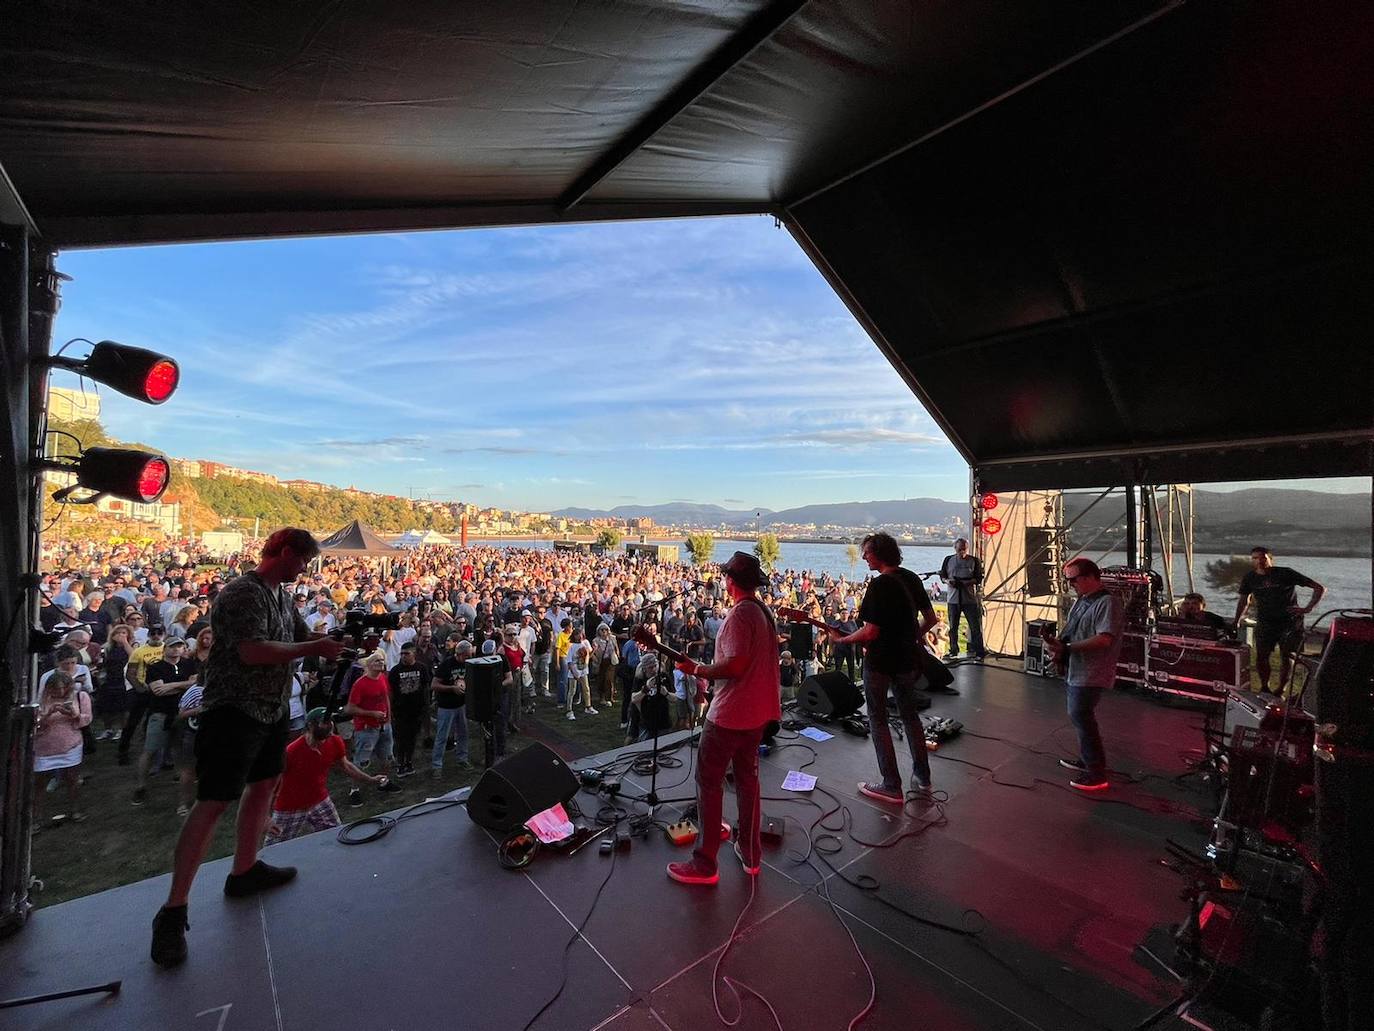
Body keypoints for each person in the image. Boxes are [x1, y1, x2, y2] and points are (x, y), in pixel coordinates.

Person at [151, 527, 346, 968]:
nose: (304, 569)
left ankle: (244, 870)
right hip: (234, 709)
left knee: (263, 787)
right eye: (302, 560)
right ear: (285, 552)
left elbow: (298, 639)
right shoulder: (242, 593)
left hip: (271, 709)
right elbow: (253, 651)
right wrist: (314, 645)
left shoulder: (280, 596)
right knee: (213, 802)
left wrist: (335, 642)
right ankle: (173, 911)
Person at [668, 552, 781, 886]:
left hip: (731, 714)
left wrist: (697, 670)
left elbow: (734, 666)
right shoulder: (763, 611)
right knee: (748, 781)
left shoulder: (738, 616)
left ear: (730, 582)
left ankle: (705, 864)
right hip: (757, 713)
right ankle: (750, 853)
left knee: (708, 781)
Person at [827, 532, 936, 805]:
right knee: (910, 717)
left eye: (867, 552)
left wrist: (842, 639)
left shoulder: (879, 585)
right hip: (908, 659)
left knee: (877, 719)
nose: (863, 556)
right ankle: (923, 778)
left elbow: (870, 632)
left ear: (880, 553)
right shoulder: (910, 577)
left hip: (881, 662)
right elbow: (931, 619)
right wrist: (913, 637)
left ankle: (891, 785)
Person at [1043, 558, 1123, 792]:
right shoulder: (1083, 601)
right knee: (1081, 717)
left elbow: (1104, 639)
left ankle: (1096, 772)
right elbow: (1074, 632)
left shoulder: (1108, 603)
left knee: (1081, 715)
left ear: (1089, 577)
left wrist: (1067, 649)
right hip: (1077, 668)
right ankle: (1088, 759)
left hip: (1092, 671)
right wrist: (1059, 645)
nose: (1070, 585)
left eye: (1073, 580)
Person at [266, 709, 390, 845]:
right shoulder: (291, 752)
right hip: (289, 807)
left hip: (319, 800)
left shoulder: (335, 742)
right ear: (311, 726)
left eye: (330, 721)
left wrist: (370, 779)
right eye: (324, 722)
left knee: (337, 836)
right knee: (274, 846)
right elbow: (270, 785)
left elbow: (346, 766)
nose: (330, 725)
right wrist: (266, 817)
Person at [1234, 547, 1325, 697]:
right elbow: (1244, 600)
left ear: (1270, 559)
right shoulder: (1250, 578)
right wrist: (1237, 619)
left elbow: (1319, 588)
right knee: (1261, 656)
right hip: (1265, 622)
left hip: (1290, 623)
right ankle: (1264, 687)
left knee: (1286, 655)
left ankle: (1281, 689)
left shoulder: (1285, 573)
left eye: (1263, 558)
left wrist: (1308, 608)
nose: (1260, 561)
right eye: (1255, 558)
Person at [133, 637, 199, 807]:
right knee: (151, 749)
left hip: (182, 714)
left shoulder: (189, 664)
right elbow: (158, 691)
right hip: (161, 713)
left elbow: (195, 684)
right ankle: (141, 786)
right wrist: (184, 685)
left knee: (178, 746)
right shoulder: (155, 667)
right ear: (165, 649)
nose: (176, 649)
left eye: (180, 646)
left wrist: (170, 686)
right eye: (172, 646)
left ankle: (179, 775)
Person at [34, 671, 92, 827]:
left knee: (72, 780)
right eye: (55, 689)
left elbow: (86, 720)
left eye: (63, 688)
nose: (59, 692)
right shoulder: (41, 700)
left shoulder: (80, 697)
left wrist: (73, 714)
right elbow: (34, 726)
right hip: (44, 748)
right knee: (39, 784)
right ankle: (36, 818)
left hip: (71, 746)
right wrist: (47, 715)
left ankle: (75, 810)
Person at [345, 651, 395, 773]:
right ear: (369, 665)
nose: (381, 662)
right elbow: (350, 708)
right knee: (362, 761)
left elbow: (385, 697)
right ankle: (355, 788)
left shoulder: (383, 678)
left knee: (386, 757)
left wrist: (388, 716)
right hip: (366, 728)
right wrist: (372, 713)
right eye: (377, 660)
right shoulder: (360, 684)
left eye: (382, 660)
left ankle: (384, 781)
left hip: (384, 725)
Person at [387, 641, 430, 778]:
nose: (404, 656)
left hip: (416, 710)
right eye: (402, 654)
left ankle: (409, 761)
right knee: (400, 739)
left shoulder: (422, 668)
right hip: (400, 710)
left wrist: (426, 706)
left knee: (412, 738)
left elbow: (425, 688)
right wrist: (391, 709)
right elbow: (390, 692)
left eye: (407, 654)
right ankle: (400, 764)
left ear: (414, 654)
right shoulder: (395, 671)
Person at [431, 639, 473, 776]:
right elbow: (434, 685)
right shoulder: (446, 664)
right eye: (467, 655)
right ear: (459, 654)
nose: (469, 658)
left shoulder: (468, 664)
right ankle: (437, 765)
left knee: (463, 733)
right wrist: (451, 688)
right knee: (442, 736)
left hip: (461, 705)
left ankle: (462, 759)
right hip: (446, 706)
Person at [940, 538, 985, 658]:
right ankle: (953, 650)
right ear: (955, 549)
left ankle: (979, 651)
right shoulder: (948, 560)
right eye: (959, 549)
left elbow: (979, 578)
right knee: (953, 627)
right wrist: (948, 581)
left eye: (964, 549)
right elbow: (943, 575)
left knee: (975, 627)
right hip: (953, 599)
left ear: (967, 549)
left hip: (969, 599)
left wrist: (968, 582)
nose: (962, 552)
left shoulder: (974, 561)